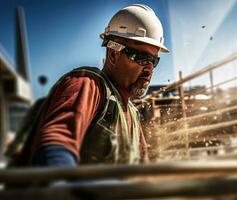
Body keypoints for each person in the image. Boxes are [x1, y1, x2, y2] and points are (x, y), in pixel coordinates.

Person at [25, 4, 169, 167]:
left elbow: (142, 175)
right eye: (142, 58)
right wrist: (65, 189)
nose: (149, 68)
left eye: (153, 60)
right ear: (114, 54)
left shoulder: (133, 115)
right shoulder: (87, 85)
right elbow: (55, 149)